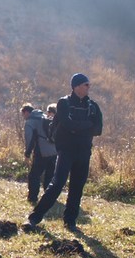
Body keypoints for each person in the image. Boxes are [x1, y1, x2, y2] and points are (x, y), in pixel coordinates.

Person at [25, 73, 103, 232]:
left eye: (89, 85)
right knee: (57, 183)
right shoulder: (64, 103)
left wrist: (78, 127)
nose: (89, 87)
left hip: (84, 152)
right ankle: (34, 218)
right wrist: (86, 125)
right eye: (86, 84)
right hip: (66, 150)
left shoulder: (93, 106)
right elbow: (68, 124)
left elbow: (98, 129)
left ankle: (70, 222)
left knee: (77, 187)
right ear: (76, 86)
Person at [21, 102, 57, 203]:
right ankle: (50, 198)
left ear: (26, 112)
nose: (23, 117)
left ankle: (32, 198)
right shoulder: (44, 116)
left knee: (34, 175)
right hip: (54, 151)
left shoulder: (30, 122)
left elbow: (29, 139)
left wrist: (27, 153)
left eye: (23, 114)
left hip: (42, 152)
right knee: (50, 175)